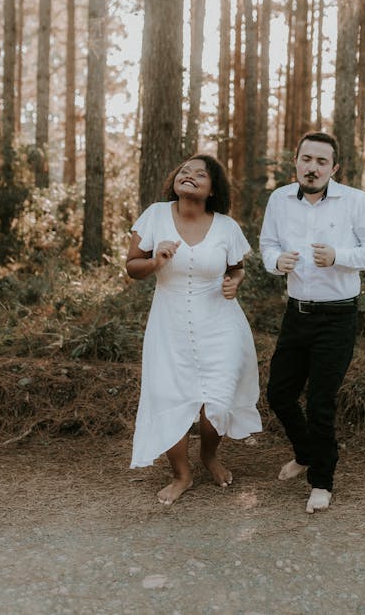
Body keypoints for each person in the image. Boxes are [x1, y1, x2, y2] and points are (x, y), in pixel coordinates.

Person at [260, 132, 365, 513]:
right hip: (296, 314)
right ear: (295, 161)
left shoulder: (355, 201)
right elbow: (267, 244)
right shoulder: (279, 199)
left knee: (319, 403)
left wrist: (339, 256)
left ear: (334, 168)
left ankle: (322, 481)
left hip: (337, 316)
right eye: (306, 159)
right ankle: (305, 453)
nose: (311, 167)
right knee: (279, 394)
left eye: (320, 162)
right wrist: (275, 262)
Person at [127, 154, 261, 506]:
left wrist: (234, 283)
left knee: (217, 398)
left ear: (212, 188)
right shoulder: (156, 214)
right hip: (168, 325)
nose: (189, 176)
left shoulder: (227, 227)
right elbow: (131, 267)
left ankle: (210, 456)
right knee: (170, 395)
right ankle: (181, 474)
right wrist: (155, 261)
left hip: (221, 324)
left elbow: (237, 268)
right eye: (184, 171)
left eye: (200, 174)